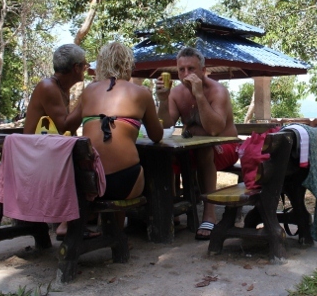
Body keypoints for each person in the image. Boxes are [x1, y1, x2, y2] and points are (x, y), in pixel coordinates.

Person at [79, 42, 163, 235]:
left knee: (99, 168)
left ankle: (103, 230)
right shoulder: (141, 93)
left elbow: (69, 122)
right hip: (124, 182)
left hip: (87, 183)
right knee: (145, 167)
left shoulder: (89, 91)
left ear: (101, 64)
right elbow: (157, 136)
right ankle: (117, 233)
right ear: (128, 64)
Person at [156, 46, 238, 240]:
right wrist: (163, 100)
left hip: (225, 146)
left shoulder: (218, 91)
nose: (186, 74)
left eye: (191, 69)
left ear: (203, 70)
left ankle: (209, 214)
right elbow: (166, 124)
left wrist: (200, 95)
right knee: (161, 155)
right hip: (193, 146)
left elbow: (214, 130)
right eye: (181, 70)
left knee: (204, 150)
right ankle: (171, 210)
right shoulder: (176, 93)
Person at [24, 44, 87, 135]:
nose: (86, 68)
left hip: (47, 146)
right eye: (85, 65)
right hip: (35, 147)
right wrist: (87, 97)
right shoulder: (48, 87)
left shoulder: (62, 88)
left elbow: (69, 132)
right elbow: (65, 128)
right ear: (76, 68)